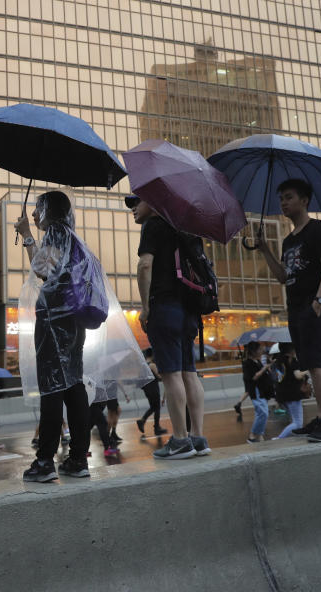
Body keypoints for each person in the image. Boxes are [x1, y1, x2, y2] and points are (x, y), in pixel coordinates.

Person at [256, 179, 321, 442]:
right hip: (295, 308)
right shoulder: (289, 240)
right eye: (281, 198)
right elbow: (283, 276)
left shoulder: (317, 230)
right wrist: (263, 249)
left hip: (314, 305)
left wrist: (318, 301)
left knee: (317, 360)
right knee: (309, 363)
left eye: (289, 197)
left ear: (305, 200)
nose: (283, 202)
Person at [16, 191, 93, 481]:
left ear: (50, 210)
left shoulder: (57, 232)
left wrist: (26, 234)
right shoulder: (72, 236)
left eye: (38, 208)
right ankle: (77, 459)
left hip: (54, 320)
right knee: (73, 385)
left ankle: (45, 462)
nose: (35, 214)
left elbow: (42, 269)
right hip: (73, 321)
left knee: (51, 386)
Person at [128, 194, 209, 459]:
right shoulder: (185, 229)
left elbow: (144, 265)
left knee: (171, 374)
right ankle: (197, 437)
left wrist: (146, 307)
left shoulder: (153, 225)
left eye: (136, 202)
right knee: (189, 372)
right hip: (189, 310)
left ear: (153, 202)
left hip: (164, 306)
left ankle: (180, 440)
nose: (133, 208)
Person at [272, 344, 309, 439]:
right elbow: (298, 375)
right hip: (293, 394)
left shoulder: (278, 361)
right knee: (297, 423)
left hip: (283, 395)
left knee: (294, 420)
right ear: (290, 350)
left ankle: (292, 438)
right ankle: (279, 438)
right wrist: (308, 370)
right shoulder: (292, 361)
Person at [241, 342, 274, 443]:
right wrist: (264, 368)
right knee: (263, 413)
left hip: (262, 390)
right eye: (260, 349)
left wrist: (268, 368)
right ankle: (252, 434)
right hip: (256, 391)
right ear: (254, 351)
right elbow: (254, 377)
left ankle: (259, 435)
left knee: (261, 413)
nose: (262, 351)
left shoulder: (258, 361)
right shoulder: (248, 363)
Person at [136, 348, 167, 438]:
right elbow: (159, 376)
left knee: (154, 407)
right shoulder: (152, 365)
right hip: (153, 388)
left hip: (147, 390)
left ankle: (144, 421)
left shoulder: (143, 365)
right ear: (153, 355)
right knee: (156, 407)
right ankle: (156, 427)